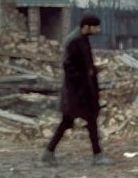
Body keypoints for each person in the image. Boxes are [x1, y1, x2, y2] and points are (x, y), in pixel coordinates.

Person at [42, 14, 111, 166]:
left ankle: (49, 153)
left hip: (81, 91)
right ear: (87, 27)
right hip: (77, 93)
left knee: (80, 122)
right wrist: (83, 80)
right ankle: (97, 155)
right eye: (96, 27)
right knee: (75, 122)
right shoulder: (75, 41)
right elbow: (69, 67)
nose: (98, 30)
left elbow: (82, 64)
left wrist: (93, 70)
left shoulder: (82, 39)